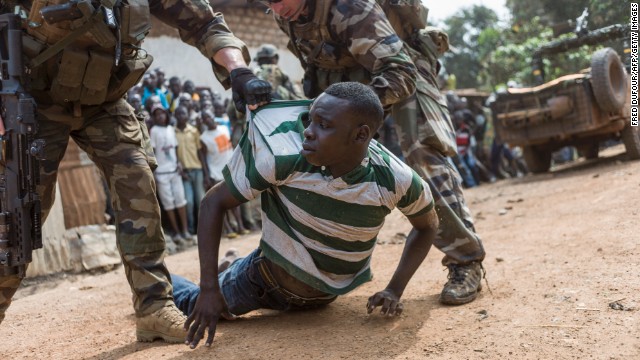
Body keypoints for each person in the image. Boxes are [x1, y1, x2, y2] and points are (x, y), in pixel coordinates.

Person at [0, 0, 271, 343]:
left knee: (138, 184)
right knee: (20, 210)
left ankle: (154, 307)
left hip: (105, 100)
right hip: (33, 103)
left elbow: (204, 23)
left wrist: (239, 71)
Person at [174, 82, 439, 348]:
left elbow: (427, 226)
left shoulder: (394, 179)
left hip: (323, 297)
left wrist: (395, 289)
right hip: (261, 281)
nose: (308, 133)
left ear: (360, 135)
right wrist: (209, 290)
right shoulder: (285, 158)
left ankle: (230, 264)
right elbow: (212, 202)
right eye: (310, 121)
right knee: (192, 304)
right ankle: (155, 284)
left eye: (323, 125)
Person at [255, 0, 486, 305]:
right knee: (313, 154)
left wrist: (352, 116)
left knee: (422, 154)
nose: (276, 9)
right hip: (346, 88)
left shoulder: (349, 8)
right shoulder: (288, 12)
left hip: (401, 74)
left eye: (280, 0)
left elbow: (401, 71)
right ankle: (312, 266)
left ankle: (466, 260)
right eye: (267, 2)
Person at [174, 105, 207, 235]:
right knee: (189, 202)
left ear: (187, 115)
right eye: (179, 114)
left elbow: (200, 153)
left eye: (184, 114)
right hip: (184, 173)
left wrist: (206, 173)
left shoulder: (193, 131)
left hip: (197, 169)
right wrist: (180, 170)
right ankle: (192, 229)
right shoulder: (173, 132)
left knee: (201, 201)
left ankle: (205, 228)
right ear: (175, 116)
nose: (182, 116)